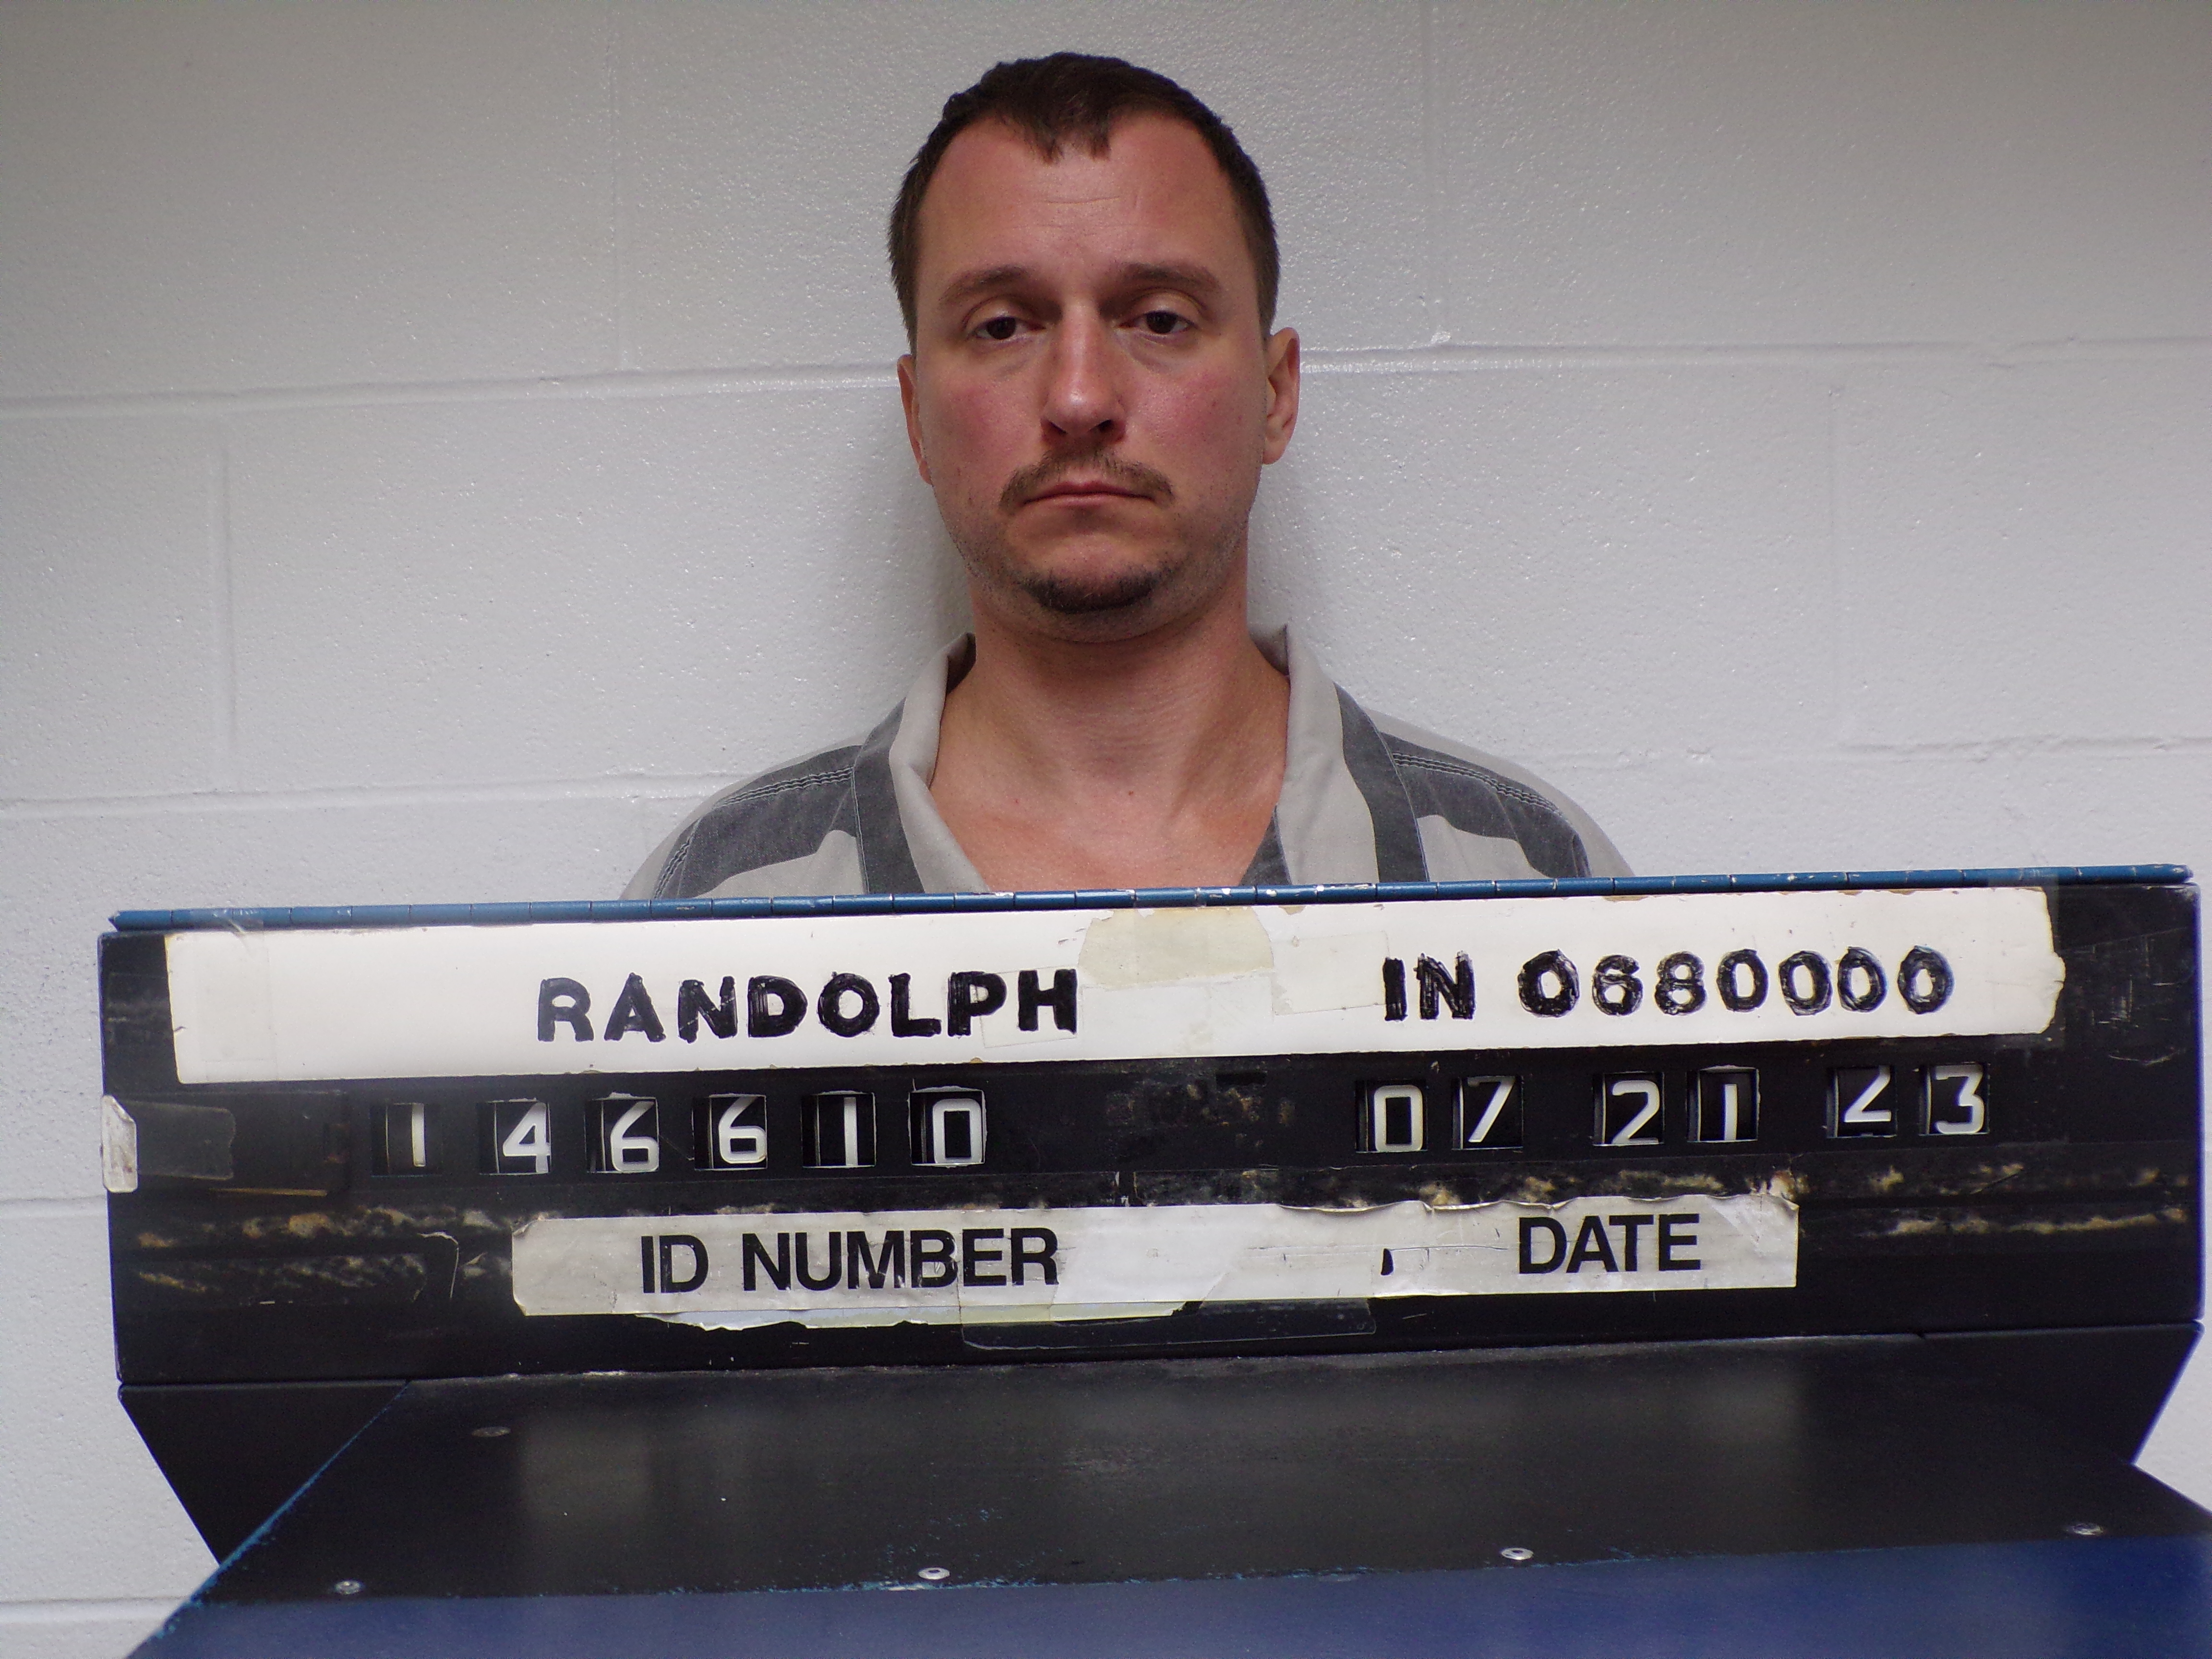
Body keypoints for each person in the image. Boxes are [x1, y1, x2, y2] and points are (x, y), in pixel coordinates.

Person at [626, 53, 1627, 901]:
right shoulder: (713, 909)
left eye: (1159, 319)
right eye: (1001, 326)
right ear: (917, 415)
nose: (1079, 397)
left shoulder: (1532, 880)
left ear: (1275, 394)